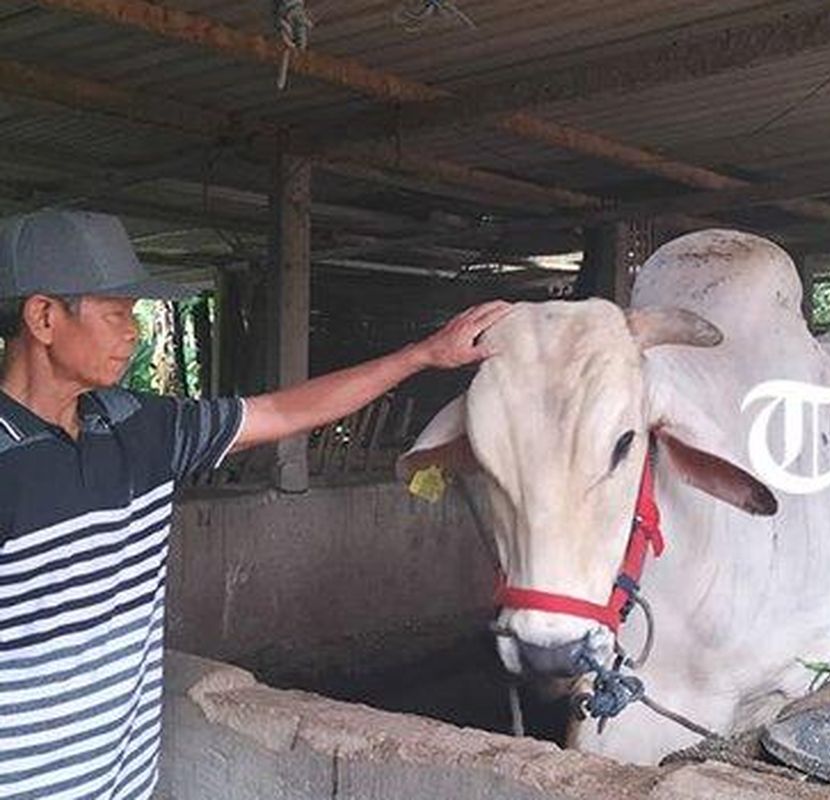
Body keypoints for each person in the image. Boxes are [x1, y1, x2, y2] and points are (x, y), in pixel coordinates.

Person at [0, 210, 510, 799]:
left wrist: (420, 356)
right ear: (43, 317)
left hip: (125, 785)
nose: (133, 331)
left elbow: (285, 411)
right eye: (117, 313)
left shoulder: (142, 427)